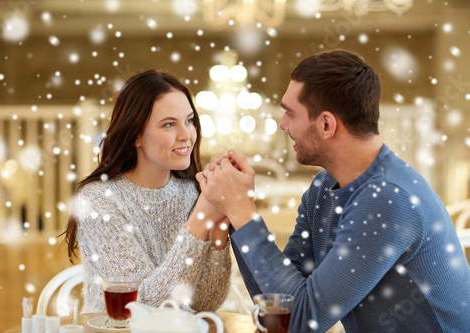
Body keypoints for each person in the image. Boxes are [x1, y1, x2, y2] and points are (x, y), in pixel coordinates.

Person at [197, 50, 470, 332]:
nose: (282, 124)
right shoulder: (323, 188)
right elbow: (278, 303)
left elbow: (302, 319)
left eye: (290, 113)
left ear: (326, 124)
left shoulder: (387, 198)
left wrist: (241, 210)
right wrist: (234, 207)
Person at [63, 69, 231, 314]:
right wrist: (201, 218)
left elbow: (205, 304)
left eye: (189, 120)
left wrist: (220, 224)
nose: (187, 136)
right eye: (169, 124)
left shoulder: (192, 194)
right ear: (136, 135)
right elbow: (140, 310)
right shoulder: (98, 201)